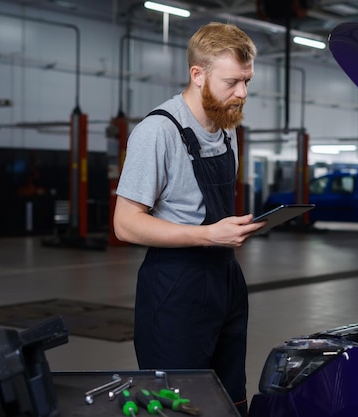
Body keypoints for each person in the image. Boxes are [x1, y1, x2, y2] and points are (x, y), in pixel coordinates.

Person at [113, 22, 264, 416]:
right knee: (178, 404)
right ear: (197, 75)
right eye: (232, 82)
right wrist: (208, 236)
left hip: (225, 280)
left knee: (229, 396)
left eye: (247, 81)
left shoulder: (227, 128)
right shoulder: (157, 131)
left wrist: (230, 232)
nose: (242, 93)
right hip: (175, 287)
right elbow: (125, 224)